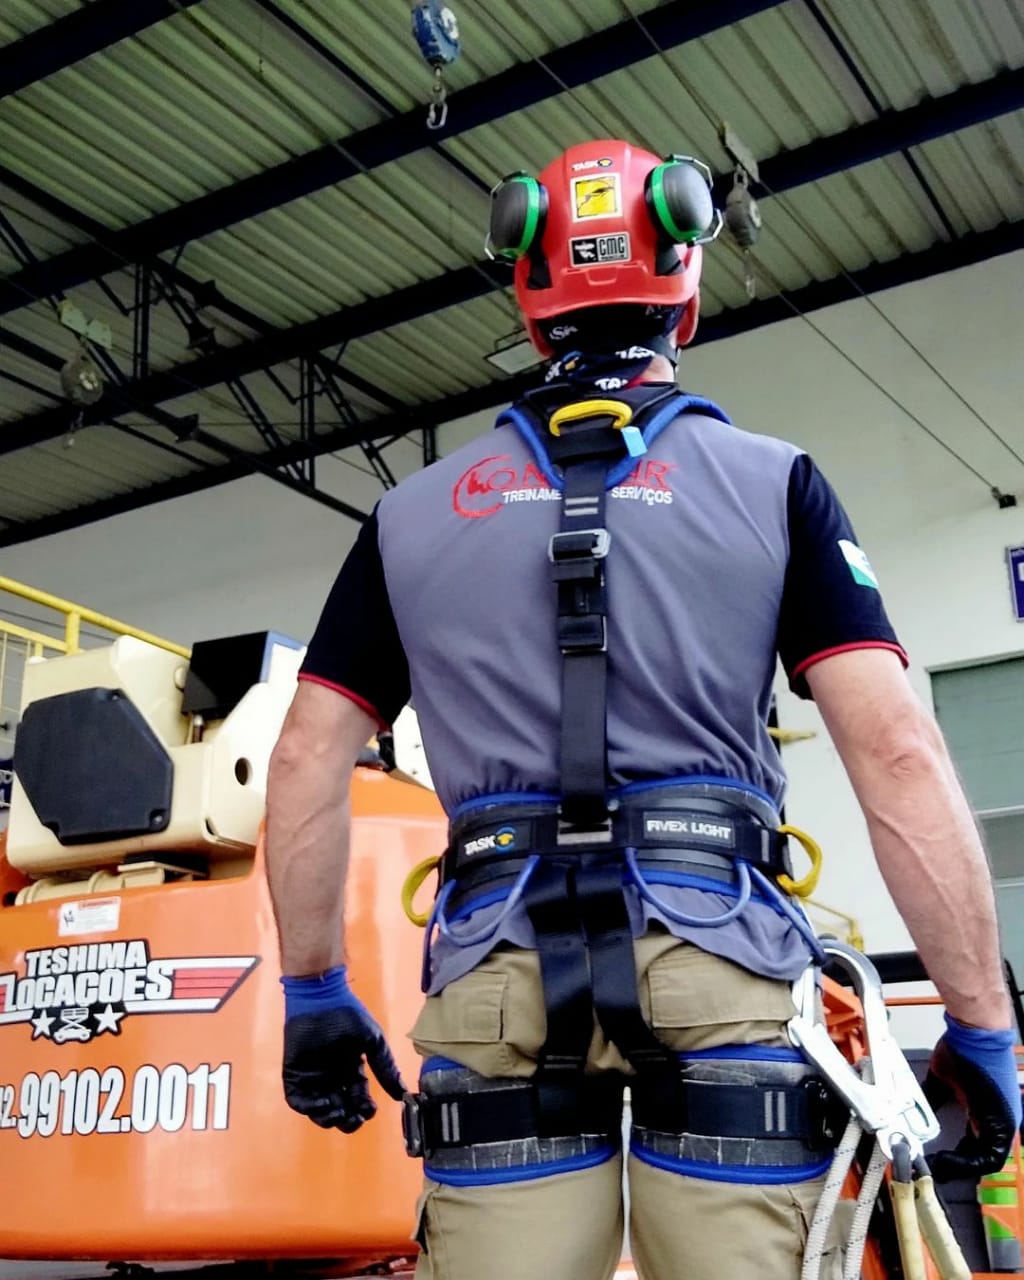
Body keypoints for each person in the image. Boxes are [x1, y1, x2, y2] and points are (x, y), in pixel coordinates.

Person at [265, 139, 1021, 1280]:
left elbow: (305, 759)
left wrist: (315, 989)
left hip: (499, 973)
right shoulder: (775, 483)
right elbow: (899, 754)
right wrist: (982, 1023)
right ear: (687, 297)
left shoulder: (409, 517)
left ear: (530, 309)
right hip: (720, 960)